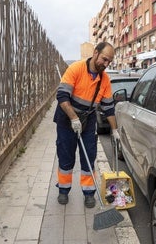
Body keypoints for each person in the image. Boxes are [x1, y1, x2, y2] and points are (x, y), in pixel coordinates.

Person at [53, 42, 120, 208]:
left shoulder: (104, 80)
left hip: (88, 120)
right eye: (104, 59)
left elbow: (109, 107)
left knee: (89, 156)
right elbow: (62, 97)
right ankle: (63, 189)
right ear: (95, 53)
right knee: (66, 155)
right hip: (66, 118)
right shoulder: (76, 69)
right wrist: (74, 119)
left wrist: (115, 130)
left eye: (109, 62)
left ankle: (89, 193)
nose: (106, 64)